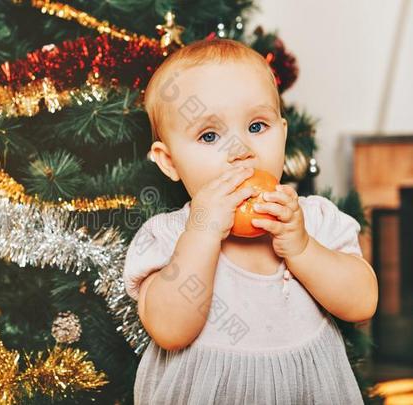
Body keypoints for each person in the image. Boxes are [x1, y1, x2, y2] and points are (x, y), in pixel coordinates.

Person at [123, 38, 378, 404]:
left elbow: (362, 303)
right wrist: (203, 233)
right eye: (209, 135)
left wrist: (303, 248)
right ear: (169, 162)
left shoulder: (311, 220)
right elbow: (170, 330)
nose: (240, 150)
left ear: (284, 134)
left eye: (257, 126)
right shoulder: (168, 237)